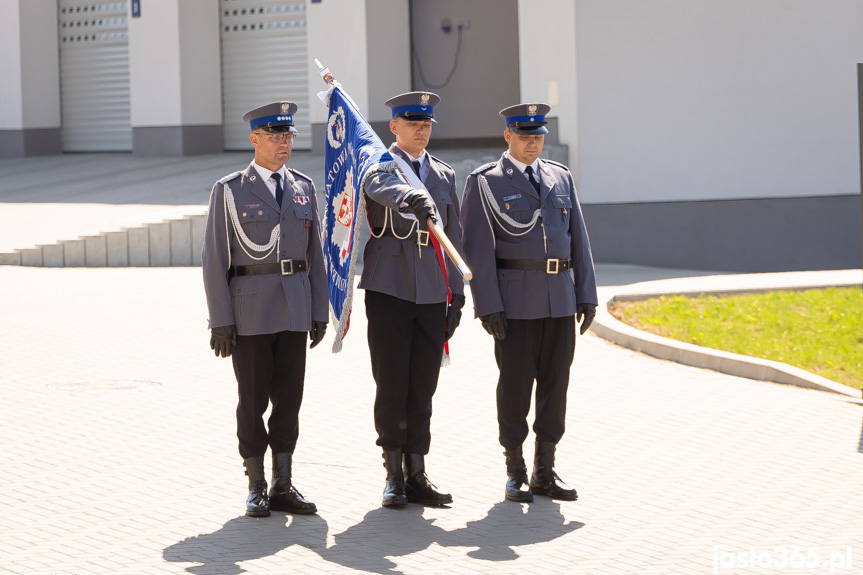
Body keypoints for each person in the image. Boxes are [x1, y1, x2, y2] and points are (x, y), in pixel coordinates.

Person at [459, 103, 598, 503]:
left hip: (559, 298)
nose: (533, 143)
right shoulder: (486, 182)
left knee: (556, 385)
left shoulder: (560, 177)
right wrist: (488, 305)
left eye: (538, 136)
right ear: (508, 136)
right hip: (515, 304)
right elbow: (477, 250)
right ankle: (515, 469)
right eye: (524, 136)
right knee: (516, 386)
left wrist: (586, 294)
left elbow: (579, 240)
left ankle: (545, 469)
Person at [202, 101, 328, 517]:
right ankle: (255, 483)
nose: (284, 143)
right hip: (251, 311)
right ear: (254, 139)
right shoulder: (230, 190)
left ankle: (283, 484)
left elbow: (316, 255)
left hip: (294, 308)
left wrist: (319, 310)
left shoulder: (303, 188)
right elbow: (214, 258)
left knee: (290, 399)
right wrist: (220, 320)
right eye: (275, 136)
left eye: (288, 136)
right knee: (252, 398)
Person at [359, 91, 466, 508]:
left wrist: (455, 294)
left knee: (423, 383)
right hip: (390, 286)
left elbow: (452, 234)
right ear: (394, 127)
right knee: (392, 384)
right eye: (413, 124)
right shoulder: (379, 166)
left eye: (426, 125)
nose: (421, 131)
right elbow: (379, 188)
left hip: (432, 288)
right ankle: (392, 475)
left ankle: (417, 471)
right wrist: (409, 197)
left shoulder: (442, 173)